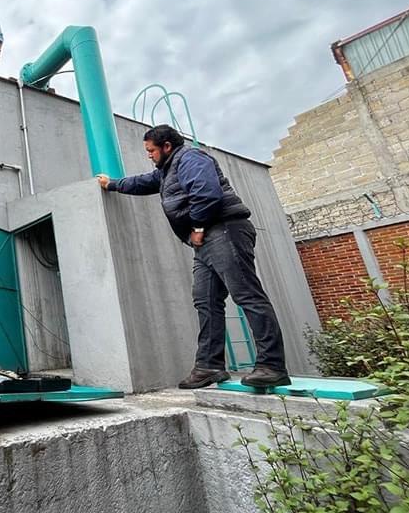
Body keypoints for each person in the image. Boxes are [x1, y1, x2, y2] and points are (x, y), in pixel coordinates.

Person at [96, 125, 290, 390]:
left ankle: (272, 366)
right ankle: (209, 366)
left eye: (151, 150)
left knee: (247, 295)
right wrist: (113, 184)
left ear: (166, 146)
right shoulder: (167, 171)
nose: (149, 155)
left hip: (223, 229)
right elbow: (142, 182)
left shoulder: (191, 158)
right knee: (206, 301)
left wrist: (197, 227)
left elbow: (207, 193)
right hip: (206, 239)